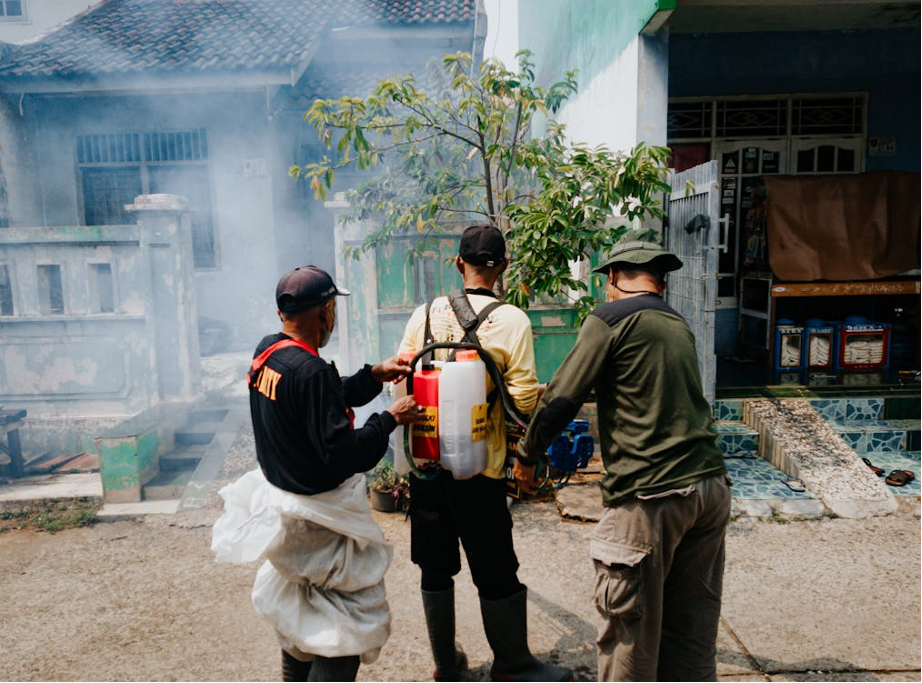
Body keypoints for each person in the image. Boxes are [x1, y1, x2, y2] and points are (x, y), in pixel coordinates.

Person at [515, 230, 731, 682]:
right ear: (660, 282)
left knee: (629, 640)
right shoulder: (677, 322)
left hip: (651, 496)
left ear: (612, 276)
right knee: (690, 635)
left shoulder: (610, 317)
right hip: (710, 490)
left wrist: (527, 454)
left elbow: (560, 398)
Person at [212, 265, 425, 683]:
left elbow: (317, 397)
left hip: (287, 509)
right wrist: (389, 417)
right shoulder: (309, 372)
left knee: (299, 617)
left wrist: (371, 377)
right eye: (332, 310)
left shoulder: (269, 352)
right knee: (342, 632)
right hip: (319, 523)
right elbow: (346, 455)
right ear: (325, 311)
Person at [398, 224, 573, 683]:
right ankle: (513, 665)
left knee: (435, 565)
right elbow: (524, 402)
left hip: (429, 464)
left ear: (458, 264)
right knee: (494, 565)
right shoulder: (512, 319)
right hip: (483, 467)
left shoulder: (426, 313)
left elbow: (403, 377)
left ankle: (445, 665)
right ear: (504, 267)